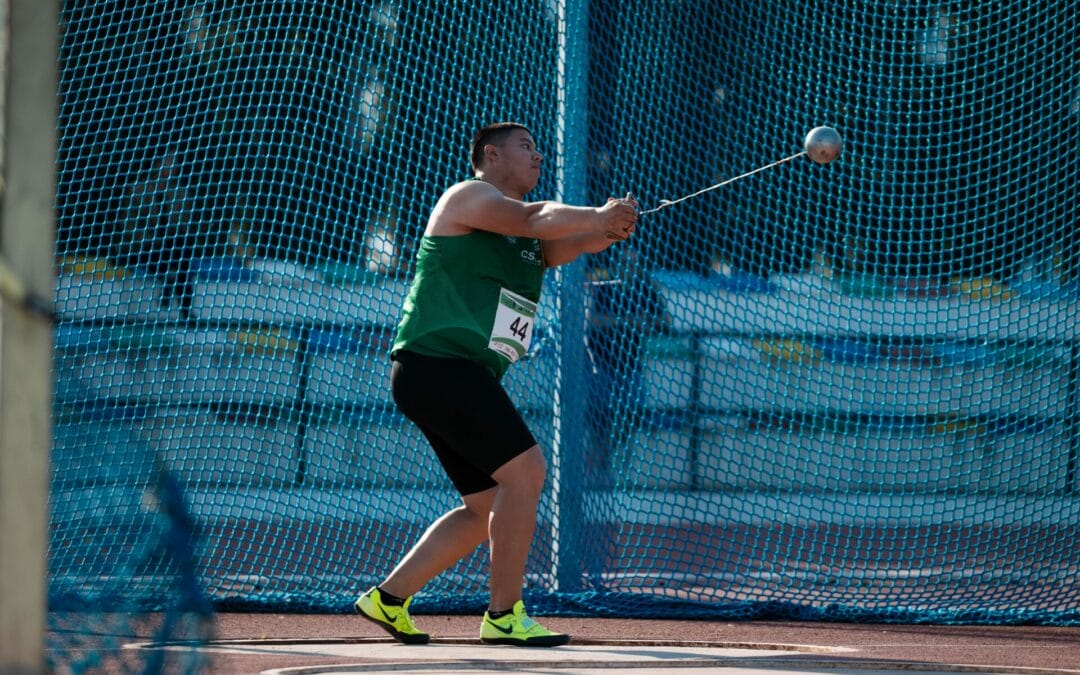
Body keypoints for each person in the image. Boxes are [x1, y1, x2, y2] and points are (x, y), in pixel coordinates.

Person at [355, 122, 639, 647]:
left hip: (450, 373)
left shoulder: (525, 240)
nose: (537, 156)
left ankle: (388, 598)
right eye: (525, 147)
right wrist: (597, 214)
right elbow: (537, 217)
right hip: (439, 365)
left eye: (536, 149)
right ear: (491, 154)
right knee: (527, 470)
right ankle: (504, 616)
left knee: (486, 506)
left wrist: (608, 228)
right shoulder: (470, 197)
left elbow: (563, 243)